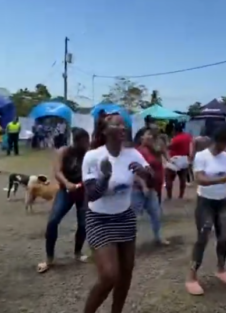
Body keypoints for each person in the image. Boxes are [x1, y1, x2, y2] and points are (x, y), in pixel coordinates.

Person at [81, 114, 151, 313]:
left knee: (126, 271)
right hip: (99, 220)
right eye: (117, 124)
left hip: (124, 217)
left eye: (123, 124)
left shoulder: (132, 154)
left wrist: (144, 172)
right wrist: (104, 177)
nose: (122, 127)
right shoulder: (93, 156)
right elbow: (92, 195)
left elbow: (151, 177)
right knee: (109, 275)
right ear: (104, 130)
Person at [185, 122, 226, 296]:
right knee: (203, 236)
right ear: (217, 141)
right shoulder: (202, 156)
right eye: (224, 142)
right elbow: (200, 179)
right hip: (205, 202)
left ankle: (221, 269)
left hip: (221, 201)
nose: (225, 146)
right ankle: (191, 277)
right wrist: (224, 180)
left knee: (223, 236)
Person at [37, 128, 90, 274]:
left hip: (82, 192)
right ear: (77, 141)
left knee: (83, 223)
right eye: (84, 141)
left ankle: (78, 253)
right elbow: (58, 171)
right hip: (66, 191)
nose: (87, 143)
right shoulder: (64, 151)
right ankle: (49, 258)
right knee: (53, 221)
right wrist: (67, 183)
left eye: (88, 140)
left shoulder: (89, 153)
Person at [133, 127, 169, 245]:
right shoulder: (138, 152)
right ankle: (128, 240)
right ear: (142, 138)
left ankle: (158, 237)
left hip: (152, 188)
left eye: (152, 136)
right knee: (133, 216)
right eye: (148, 135)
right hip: (138, 188)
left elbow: (164, 158)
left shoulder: (154, 150)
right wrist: (143, 185)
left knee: (156, 213)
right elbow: (133, 172)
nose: (151, 137)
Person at [165, 122, 192, 200]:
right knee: (183, 178)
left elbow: (168, 147)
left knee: (168, 177)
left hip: (175, 158)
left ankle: (169, 196)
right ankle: (181, 195)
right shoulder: (188, 137)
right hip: (184, 159)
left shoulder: (176, 139)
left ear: (174, 130)